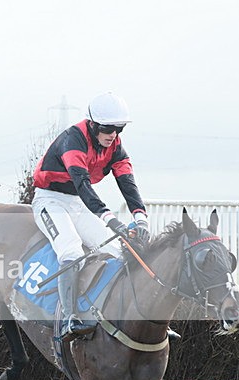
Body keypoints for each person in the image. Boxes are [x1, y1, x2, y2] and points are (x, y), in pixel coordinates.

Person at [31, 92, 150, 339]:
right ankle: (68, 319)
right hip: (49, 199)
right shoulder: (72, 140)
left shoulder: (116, 148)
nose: (113, 135)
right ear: (93, 124)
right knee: (72, 251)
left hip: (76, 202)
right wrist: (110, 219)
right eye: (108, 128)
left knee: (118, 250)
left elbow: (128, 185)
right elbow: (83, 184)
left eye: (119, 129)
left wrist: (141, 218)